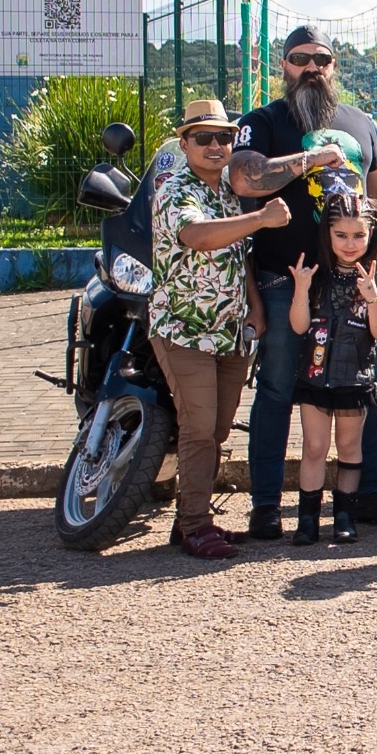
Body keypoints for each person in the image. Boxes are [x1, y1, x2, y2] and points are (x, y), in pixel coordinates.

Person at [230, 25, 377, 540]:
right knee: (277, 388)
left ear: (334, 66)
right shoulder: (262, 122)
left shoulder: (358, 122)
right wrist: (312, 159)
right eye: (299, 58)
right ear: (283, 66)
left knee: (362, 385)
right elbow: (245, 178)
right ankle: (266, 504)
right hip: (286, 281)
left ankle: (367, 496)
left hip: (356, 282)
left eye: (323, 59)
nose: (312, 67)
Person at [149, 99, 289, 558]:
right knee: (199, 428)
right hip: (184, 330)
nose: (215, 145)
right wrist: (262, 218)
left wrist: (254, 306)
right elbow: (199, 236)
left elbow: (236, 253)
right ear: (184, 142)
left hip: (229, 330)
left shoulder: (228, 192)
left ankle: (192, 518)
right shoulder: (175, 188)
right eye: (203, 137)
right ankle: (194, 524)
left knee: (219, 428)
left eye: (224, 137)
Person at [287, 195, 377, 546]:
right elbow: (299, 327)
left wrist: (373, 297)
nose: (350, 245)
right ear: (327, 235)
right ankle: (307, 519)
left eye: (358, 236)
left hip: (355, 378)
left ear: (371, 235)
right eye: (341, 235)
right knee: (314, 447)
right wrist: (301, 290)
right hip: (314, 378)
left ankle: (344, 515)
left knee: (349, 447)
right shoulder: (315, 274)